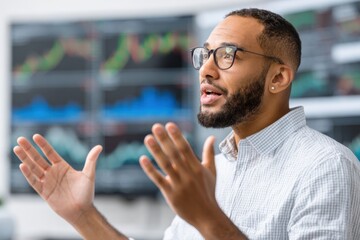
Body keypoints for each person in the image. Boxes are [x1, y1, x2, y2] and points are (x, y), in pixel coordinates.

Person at [13, 8, 360, 240]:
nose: (206, 69)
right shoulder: (217, 170)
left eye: (227, 55)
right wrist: (82, 215)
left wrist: (208, 218)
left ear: (279, 77)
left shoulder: (325, 167)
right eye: (205, 54)